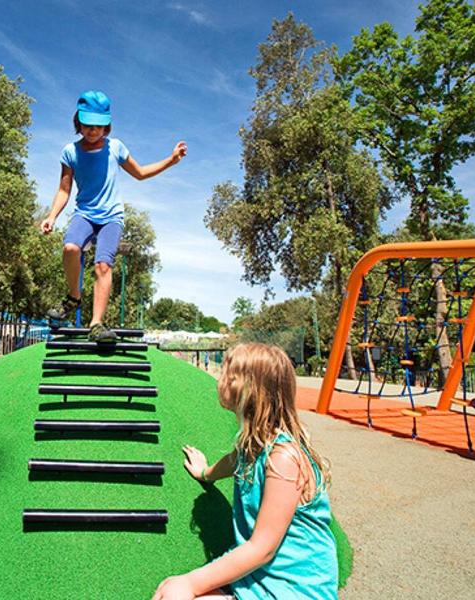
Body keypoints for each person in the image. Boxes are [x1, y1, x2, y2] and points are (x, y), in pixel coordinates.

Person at [152, 343, 338, 600]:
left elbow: (262, 549)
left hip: (294, 587)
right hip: (260, 575)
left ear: (247, 390)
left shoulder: (283, 459)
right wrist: (205, 473)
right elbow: (234, 461)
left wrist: (190, 583)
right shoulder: (254, 444)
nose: (220, 380)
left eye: (227, 374)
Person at [41, 90, 186, 343]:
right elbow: (64, 190)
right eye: (88, 124)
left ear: (106, 125)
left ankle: (96, 324)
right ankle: (74, 297)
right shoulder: (70, 152)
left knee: (103, 265)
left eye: (98, 125)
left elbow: (140, 173)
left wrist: (171, 160)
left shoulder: (115, 147)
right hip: (84, 213)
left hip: (111, 217)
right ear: (79, 122)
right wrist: (52, 216)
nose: (93, 130)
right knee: (70, 248)